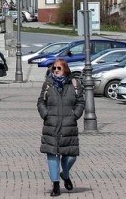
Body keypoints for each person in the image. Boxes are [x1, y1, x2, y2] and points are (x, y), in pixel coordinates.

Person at [37, 57, 84, 196]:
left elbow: (80, 102)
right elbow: (41, 102)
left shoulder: (74, 84)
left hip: (68, 125)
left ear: (65, 70)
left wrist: (75, 114)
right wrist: (45, 114)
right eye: (54, 68)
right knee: (52, 155)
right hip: (51, 125)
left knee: (71, 156)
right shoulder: (48, 84)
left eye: (59, 68)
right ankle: (56, 185)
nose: (56, 70)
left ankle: (65, 174)